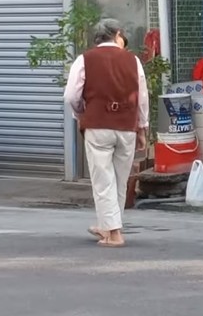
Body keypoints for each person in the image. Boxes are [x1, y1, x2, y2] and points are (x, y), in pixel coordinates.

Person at [64, 18, 149, 248]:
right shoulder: (133, 61)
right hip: (127, 126)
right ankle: (108, 226)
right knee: (120, 181)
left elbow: (71, 95)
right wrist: (142, 128)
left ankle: (114, 233)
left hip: (98, 125)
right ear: (118, 34)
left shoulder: (84, 60)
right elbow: (142, 98)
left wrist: (82, 112)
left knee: (103, 180)